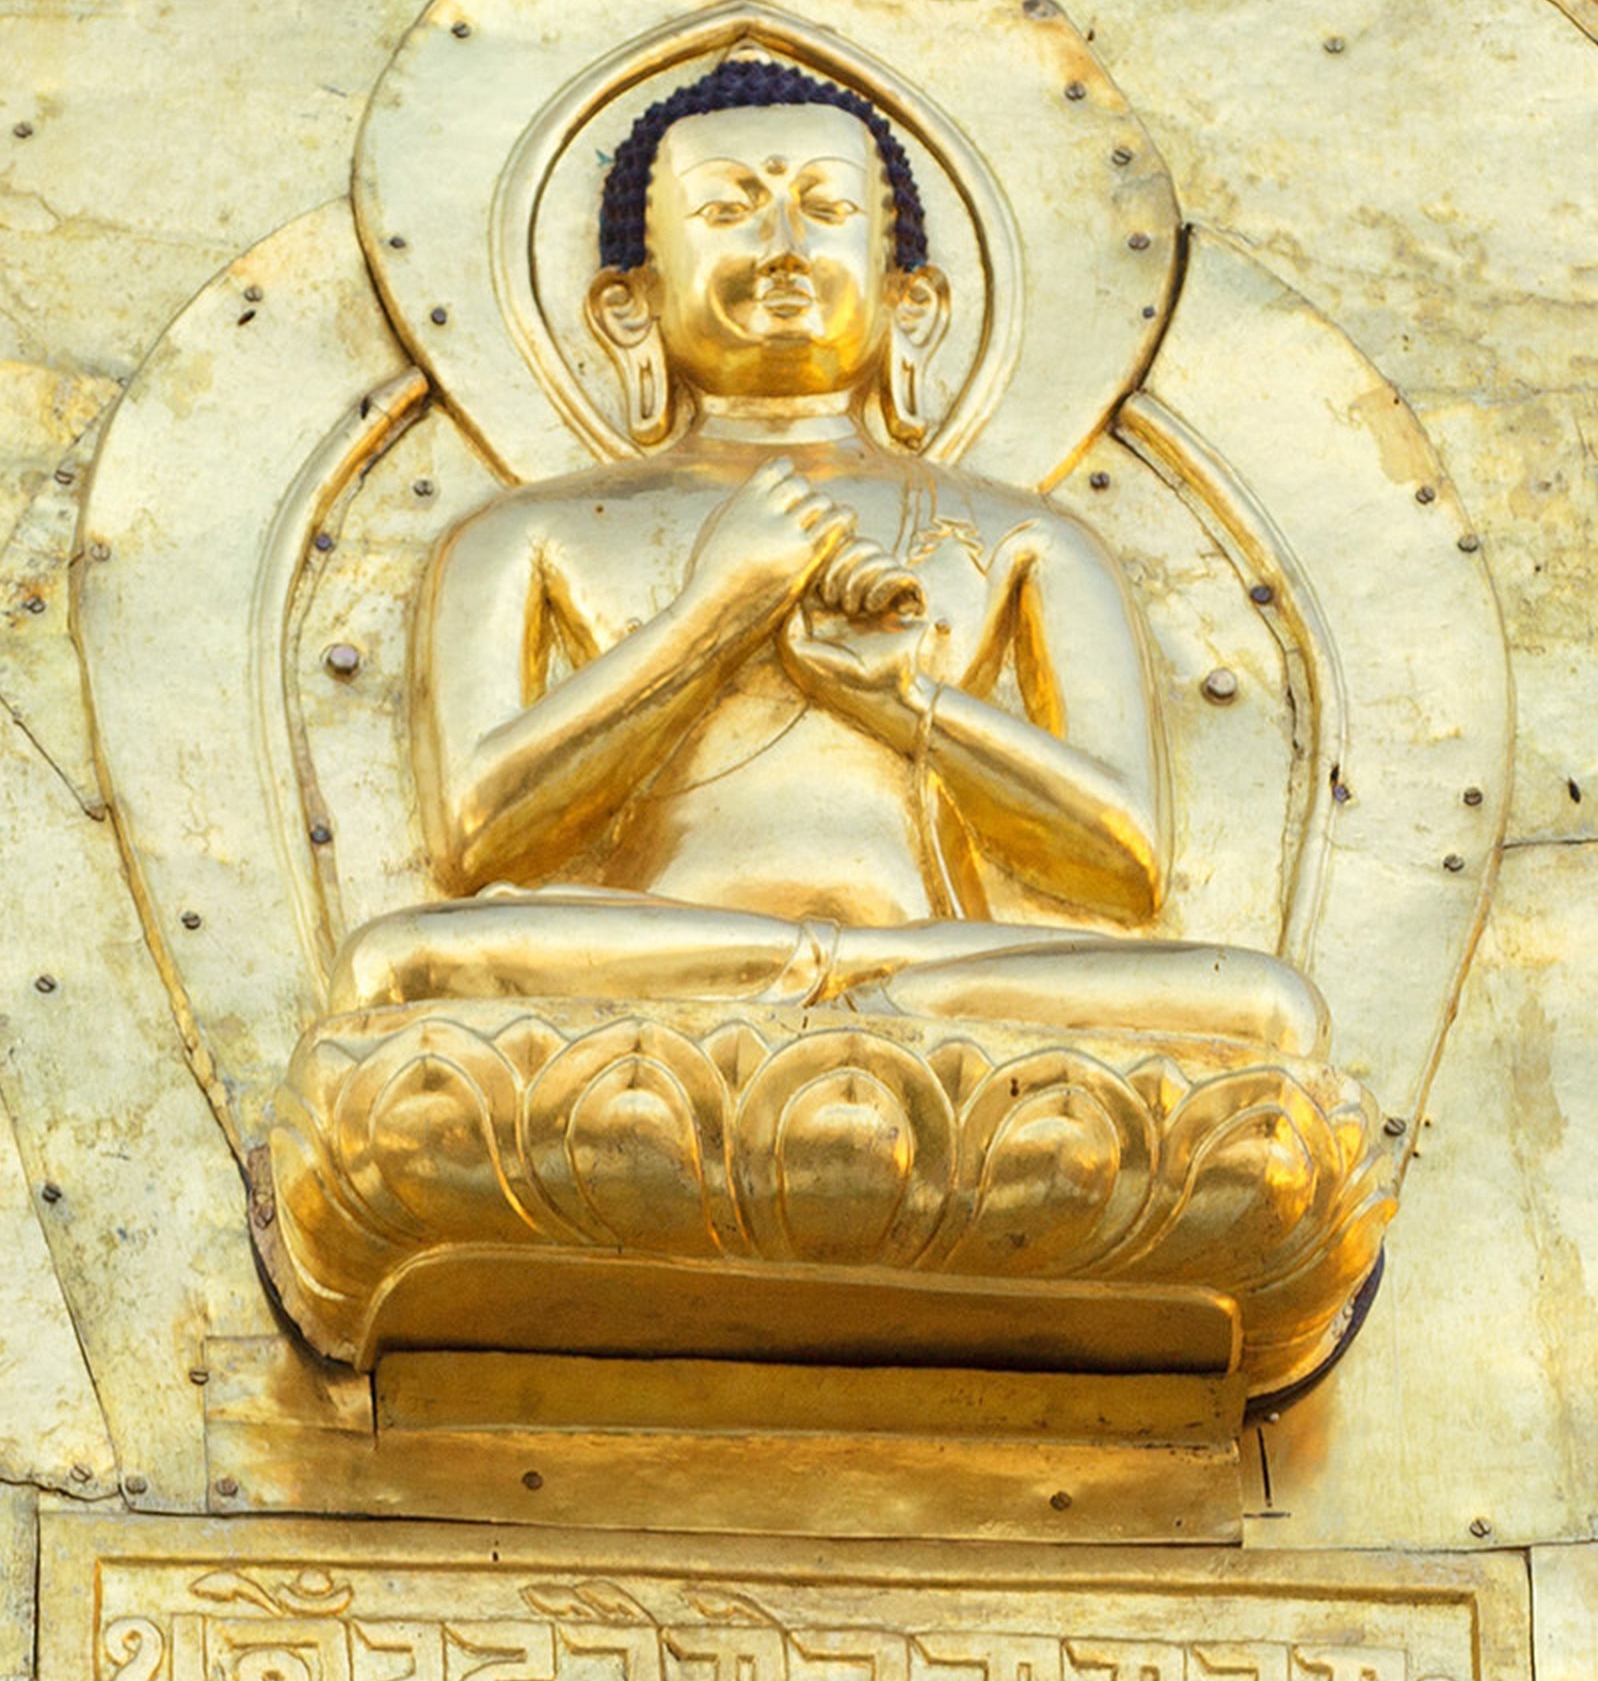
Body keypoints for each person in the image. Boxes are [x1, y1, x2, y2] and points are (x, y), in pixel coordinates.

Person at [339, 52, 1323, 1060]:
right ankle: (840, 998)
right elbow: (477, 836)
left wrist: (907, 708)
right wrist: (715, 611)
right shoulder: (527, 533)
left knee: (1258, 1009)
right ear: (627, 309)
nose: (782, 250)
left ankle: (845, 994)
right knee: (404, 970)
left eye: (823, 210)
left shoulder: (1026, 536)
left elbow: (1125, 863)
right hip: (668, 961)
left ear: (913, 302)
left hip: (931, 970)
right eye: (727, 212)